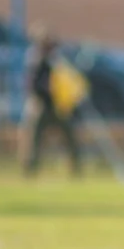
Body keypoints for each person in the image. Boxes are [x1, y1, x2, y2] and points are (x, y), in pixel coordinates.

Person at [23, 35, 86, 176]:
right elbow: (33, 85)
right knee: (35, 140)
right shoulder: (36, 61)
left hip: (58, 107)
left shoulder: (57, 62)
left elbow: (67, 81)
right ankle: (30, 170)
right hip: (41, 106)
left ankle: (76, 169)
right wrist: (46, 89)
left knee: (70, 137)